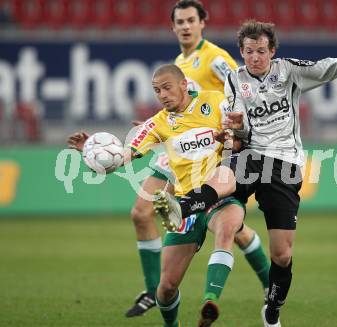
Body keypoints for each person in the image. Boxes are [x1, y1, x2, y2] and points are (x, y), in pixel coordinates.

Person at [153, 20, 337, 327]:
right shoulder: (235, 79)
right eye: (249, 51)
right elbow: (240, 128)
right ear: (242, 53)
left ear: (272, 51)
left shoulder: (287, 71)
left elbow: (324, 69)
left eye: (261, 51)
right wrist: (235, 127)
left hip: (284, 164)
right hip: (250, 152)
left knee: (283, 255)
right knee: (224, 177)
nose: (255, 57)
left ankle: (272, 308)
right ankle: (184, 205)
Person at [68, 64, 246, 327]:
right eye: (156, 90)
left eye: (166, 87)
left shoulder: (215, 101)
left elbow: (241, 139)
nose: (162, 94)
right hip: (184, 203)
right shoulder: (157, 123)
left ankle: (210, 301)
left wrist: (230, 138)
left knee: (228, 227)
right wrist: (96, 154)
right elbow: (125, 155)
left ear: (184, 84)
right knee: (166, 289)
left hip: (219, 194)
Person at [124, 0, 270, 317]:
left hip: (212, 145)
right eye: (180, 22)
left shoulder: (214, 57)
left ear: (202, 22)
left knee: (229, 224)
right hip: (180, 144)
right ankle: (155, 290)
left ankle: (269, 282)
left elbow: (242, 87)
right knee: (141, 212)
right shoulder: (180, 62)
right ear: (173, 27)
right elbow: (174, 109)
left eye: (191, 20)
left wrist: (236, 130)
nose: (186, 26)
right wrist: (156, 127)